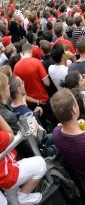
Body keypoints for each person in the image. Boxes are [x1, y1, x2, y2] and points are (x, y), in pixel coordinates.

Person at [0, 73, 47, 204]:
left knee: (11, 199)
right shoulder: (7, 116)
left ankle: (17, 200)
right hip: (8, 171)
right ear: (3, 92)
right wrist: (36, 129)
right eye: (7, 87)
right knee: (40, 164)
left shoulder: (8, 109)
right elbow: (11, 137)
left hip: (7, 169)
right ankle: (23, 196)